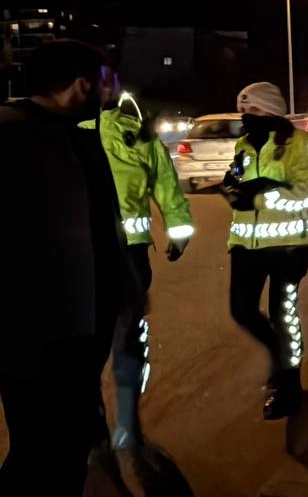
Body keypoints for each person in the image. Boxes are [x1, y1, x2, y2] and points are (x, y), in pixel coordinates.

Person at [0, 40, 126, 494]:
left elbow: (101, 230)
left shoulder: (72, 136)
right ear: (82, 85)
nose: (112, 92)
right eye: (106, 82)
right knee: (46, 450)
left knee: (58, 443)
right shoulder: (22, 137)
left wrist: (128, 287)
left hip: (70, 329)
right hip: (41, 334)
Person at [79, 90, 194, 452]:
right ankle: (117, 427)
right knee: (116, 339)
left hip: (101, 255)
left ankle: (108, 428)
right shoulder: (128, 132)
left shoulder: (76, 132)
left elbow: (165, 182)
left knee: (99, 343)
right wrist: (178, 231)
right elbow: (166, 183)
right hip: (113, 254)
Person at [223, 82, 308, 419]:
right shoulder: (243, 144)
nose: (245, 116)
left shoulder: (301, 143)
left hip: (287, 246)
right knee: (241, 310)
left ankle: (289, 386)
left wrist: (262, 194)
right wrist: (232, 185)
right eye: (243, 110)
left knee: (284, 316)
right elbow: (239, 177)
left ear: (272, 111)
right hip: (246, 245)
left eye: (252, 110)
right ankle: (278, 357)